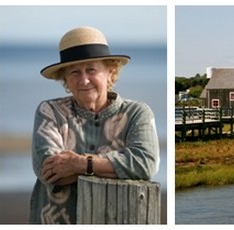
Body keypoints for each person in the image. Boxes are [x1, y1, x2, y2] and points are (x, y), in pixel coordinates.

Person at [30, 26, 160, 224]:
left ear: (110, 72)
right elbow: (48, 171)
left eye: (91, 69)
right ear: (65, 79)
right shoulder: (50, 111)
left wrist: (78, 163)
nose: (84, 80)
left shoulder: (137, 113)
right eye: (74, 72)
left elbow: (145, 165)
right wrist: (119, 168)